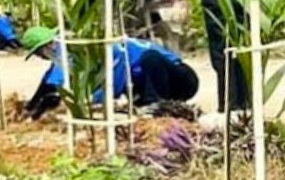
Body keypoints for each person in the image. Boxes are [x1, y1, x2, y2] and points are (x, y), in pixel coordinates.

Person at [20, 26, 198, 116]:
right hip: (149, 81)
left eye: (38, 53)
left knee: (149, 58)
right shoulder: (66, 51)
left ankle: (156, 105)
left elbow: (55, 86)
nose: (40, 58)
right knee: (137, 80)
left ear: (46, 47)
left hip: (180, 79)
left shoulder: (69, 49)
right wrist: (30, 106)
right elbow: (49, 80)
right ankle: (150, 104)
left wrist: (93, 99)